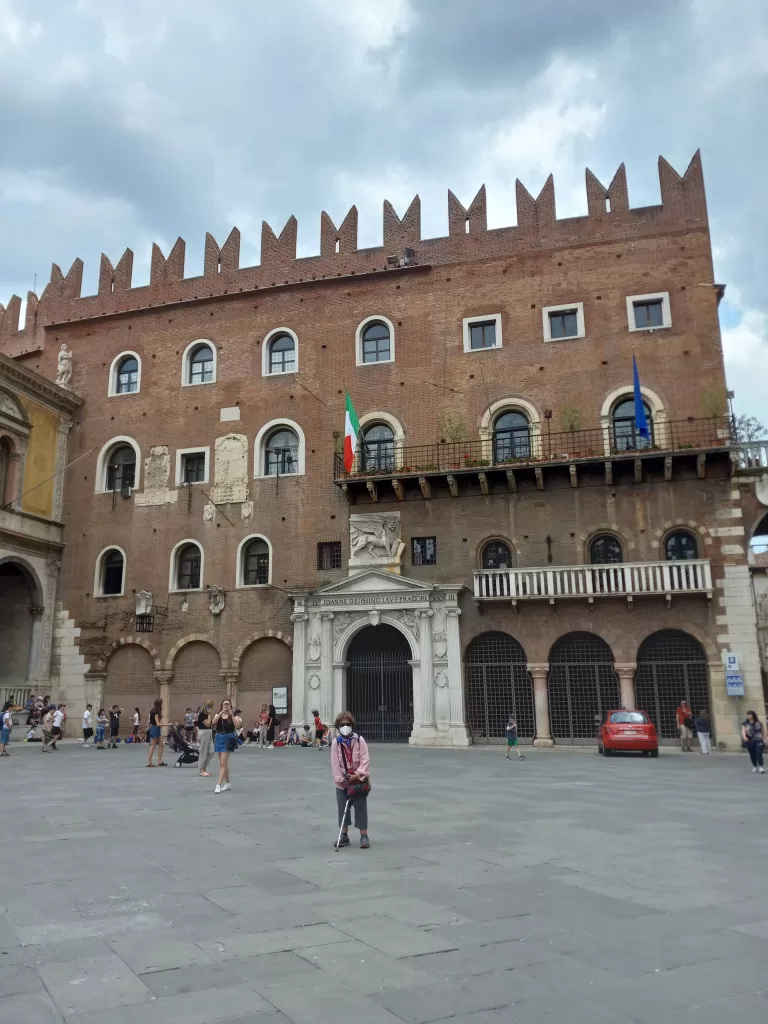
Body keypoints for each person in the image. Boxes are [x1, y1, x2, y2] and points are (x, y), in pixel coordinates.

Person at [331, 711, 371, 849]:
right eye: (342, 725)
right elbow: (335, 764)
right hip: (343, 781)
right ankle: (344, 835)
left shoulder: (360, 740)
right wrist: (341, 779)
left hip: (358, 780)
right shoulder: (336, 743)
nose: (345, 726)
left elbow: (365, 760)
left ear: (352, 725)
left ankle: (364, 836)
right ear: (338, 727)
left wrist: (358, 775)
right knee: (343, 808)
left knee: (361, 807)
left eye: (348, 724)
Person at [212, 699, 241, 794]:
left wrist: (231, 714)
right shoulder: (218, 714)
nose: (226, 706)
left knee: (222, 764)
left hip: (229, 738)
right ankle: (228, 783)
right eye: (224, 704)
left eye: (228, 704)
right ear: (222, 705)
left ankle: (218, 785)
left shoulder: (233, 716)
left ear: (230, 706)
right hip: (219, 737)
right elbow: (213, 722)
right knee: (222, 763)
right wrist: (221, 712)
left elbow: (237, 726)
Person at [146, 698, 167, 767]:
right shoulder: (156, 712)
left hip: (154, 728)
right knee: (153, 745)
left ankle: (159, 761)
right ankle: (149, 762)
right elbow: (158, 723)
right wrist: (167, 724)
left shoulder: (152, 710)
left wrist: (162, 723)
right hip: (155, 728)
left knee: (161, 744)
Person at [196, 701, 213, 776]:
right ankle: (202, 770)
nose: (210, 708)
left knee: (211, 751)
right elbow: (208, 724)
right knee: (203, 752)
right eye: (208, 706)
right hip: (203, 732)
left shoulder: (207, 714)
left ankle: (203, 766)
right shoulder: (202, 714)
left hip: (209, 732)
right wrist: (209, 715)